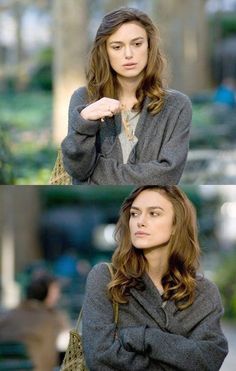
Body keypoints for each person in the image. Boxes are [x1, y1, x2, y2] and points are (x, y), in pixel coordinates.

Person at [82, 186, 228, 370]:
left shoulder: (204, 294)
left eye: (154, 213)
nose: (140, 222)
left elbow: (208, 360)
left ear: (176, 225)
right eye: (134, 214)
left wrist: (143, 337)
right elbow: (100, 359)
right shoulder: (106, 279)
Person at [61, 7, 192, 185]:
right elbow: (77, 170)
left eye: (137, 44)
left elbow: (167, 175)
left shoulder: (177, 105)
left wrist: (95, 173)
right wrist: (84, 122)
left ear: (149, 46)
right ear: (105, 51)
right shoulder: (85, 99)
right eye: (117, 47)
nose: (128, 54)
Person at [0, 273, 70, 371]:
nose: (58, 296)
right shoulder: (54, 318)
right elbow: (68, 342)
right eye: (55, 292)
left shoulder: (8, 315)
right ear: (47, 294)